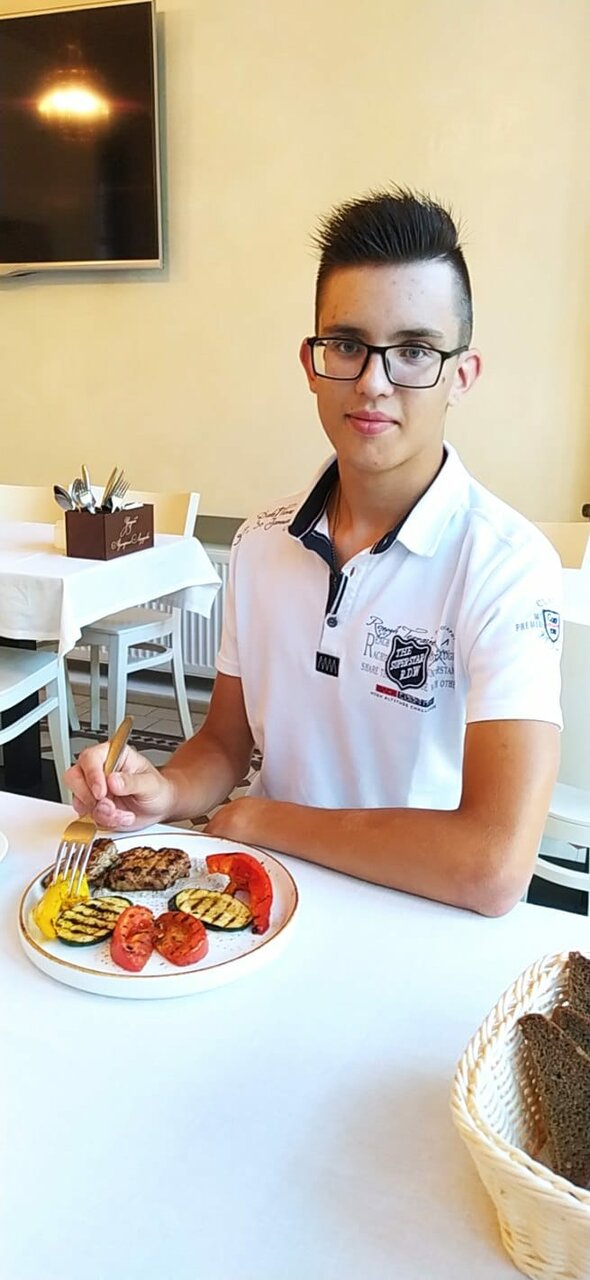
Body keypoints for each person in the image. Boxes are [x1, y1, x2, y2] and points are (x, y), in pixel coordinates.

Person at [65, 187, 562, 916]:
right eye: (348, 345)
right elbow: (224, 742)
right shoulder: (260, 542)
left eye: (414, 351)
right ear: (311, 361)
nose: (372, 383)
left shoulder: (506, 566)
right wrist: (164, 790)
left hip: (419, 913)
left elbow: (492, 866)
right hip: (261, 902)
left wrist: (263, 820)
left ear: (462, 375)